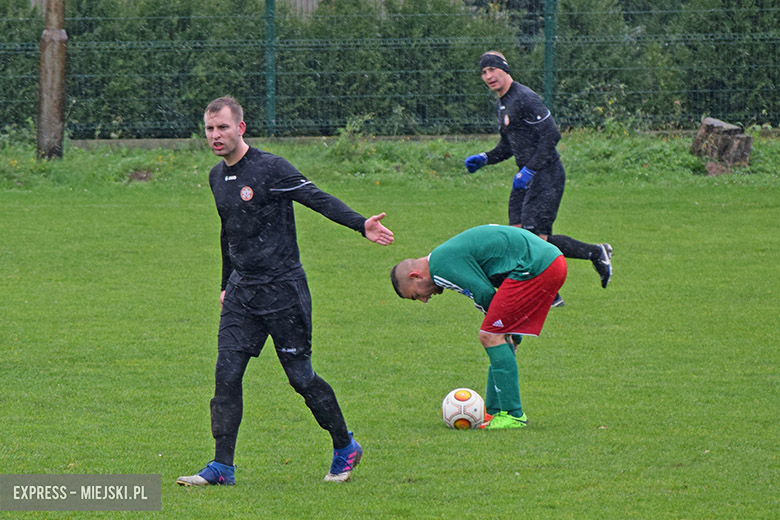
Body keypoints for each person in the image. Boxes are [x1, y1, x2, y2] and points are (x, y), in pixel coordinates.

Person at [176, 96, 394, 486]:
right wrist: (227, 283)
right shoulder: (216, 177)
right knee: (226, 376)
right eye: (210, 129)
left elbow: (317, 198)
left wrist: (361, 224)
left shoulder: (270, 168)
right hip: (243, 293)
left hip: (283, 291)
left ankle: (345, 446)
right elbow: (230, 232)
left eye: (223, 127)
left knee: (300, 377)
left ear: (240, 128)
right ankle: (222, 466)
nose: (215, 135)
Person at [464, 51, 612, 305]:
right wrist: (485, 157)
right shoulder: (503, 103)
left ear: (504, 69)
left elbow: (551, 135)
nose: (488, 76)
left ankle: (553, 293)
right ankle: (594, 252)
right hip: (525, 178)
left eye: (492, 70)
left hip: (546, 175)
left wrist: (530, 169)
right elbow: (510, 145)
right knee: (519, 237)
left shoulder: (525, 98)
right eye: (483, 72)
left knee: (534, 240)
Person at [390, 224, 566, 429]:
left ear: (415, 276)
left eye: (416, 295)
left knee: (490, 336)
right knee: (496, 337)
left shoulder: (439, 268)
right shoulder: (443, 257)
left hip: (536, 265)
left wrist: (500, 327)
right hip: (546, 260)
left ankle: (513, 414)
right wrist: (504, 329)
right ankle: (493, 412)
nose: (424, 300)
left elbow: (483, 292)